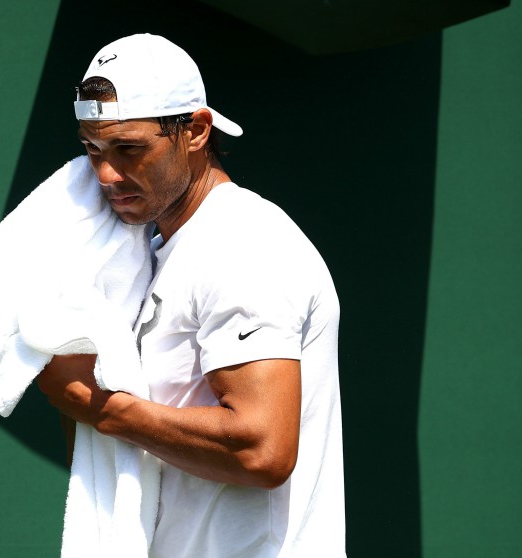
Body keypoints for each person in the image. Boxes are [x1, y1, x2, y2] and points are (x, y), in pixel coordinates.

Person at [36, 33, 345, 557]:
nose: (107, 174)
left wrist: (96, 405)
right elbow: (123, 454)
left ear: (196, 131)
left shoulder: (245, 245)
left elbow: (262, 450)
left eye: (129, 149)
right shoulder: (146, 259)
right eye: (92, 149)